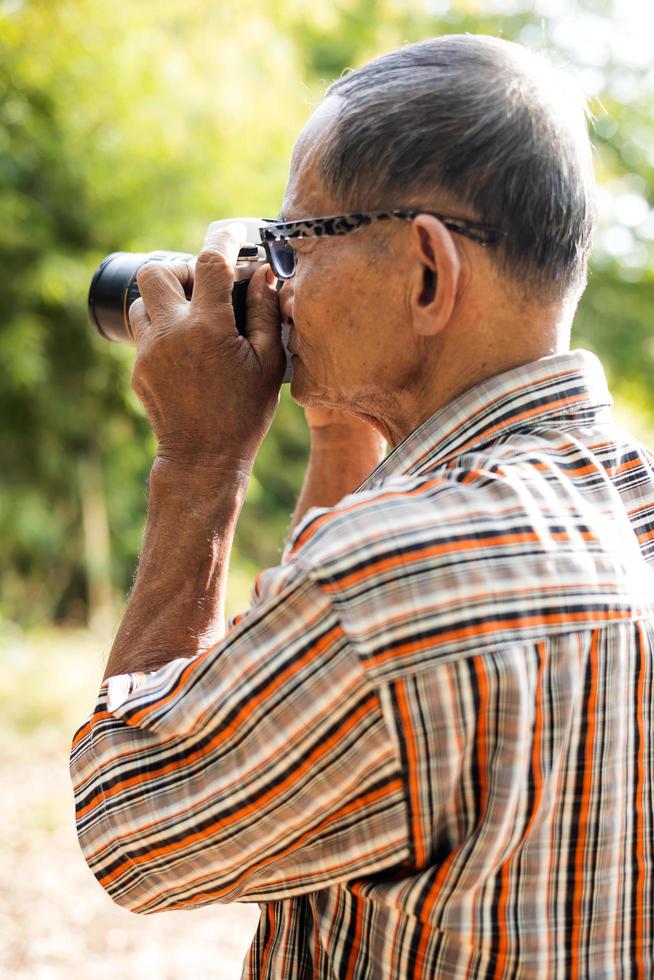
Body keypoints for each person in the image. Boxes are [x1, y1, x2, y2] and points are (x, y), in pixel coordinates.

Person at [70, 34, 654, 979]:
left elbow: (135, 825)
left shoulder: (397, 578)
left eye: (294, 242)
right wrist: (347, 422)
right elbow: (327, 782)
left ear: (427, 268)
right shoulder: (627, 501)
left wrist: (201, 459)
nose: (279, 285)